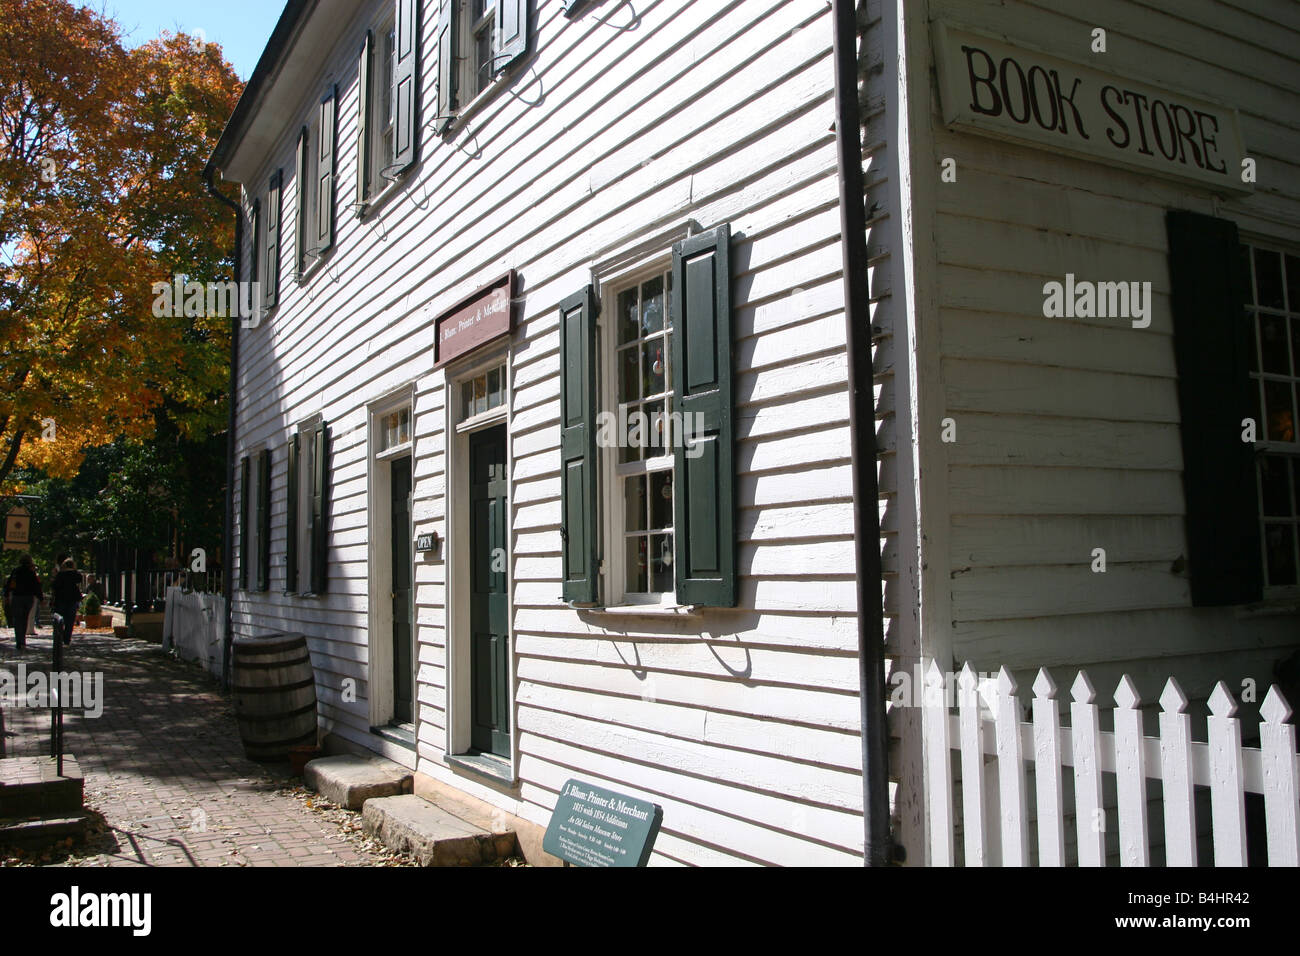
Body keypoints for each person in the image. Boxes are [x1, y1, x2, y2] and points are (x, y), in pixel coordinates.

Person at [4, 553, 43, 651]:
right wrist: (41, 598)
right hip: (28, 598)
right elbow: (36, 586)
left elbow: (9, 584)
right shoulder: (31, 572)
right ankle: (23, 641)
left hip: (17, 597)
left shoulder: (16, 571)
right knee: (25, 618)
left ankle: (19, 641)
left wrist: (6, 595)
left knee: (17, 619)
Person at [51, 557, 82, 647]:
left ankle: (58, 636)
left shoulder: (60, 575)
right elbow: (79, 579)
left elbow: (54, 586)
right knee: (70, 620)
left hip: (61, 599)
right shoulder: (75, 574)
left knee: (59, 619)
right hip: (72, 599)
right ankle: (67, 639)